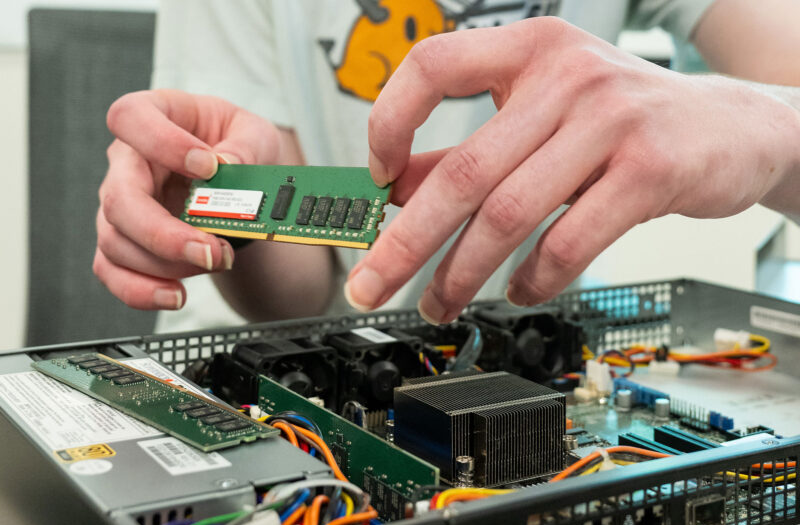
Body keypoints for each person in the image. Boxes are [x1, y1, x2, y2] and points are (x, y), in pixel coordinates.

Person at [95, 0, 800, 333]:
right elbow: (299, 297)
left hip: (525, 353)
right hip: (286, 375)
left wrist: (763, 122)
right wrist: (235, 194)